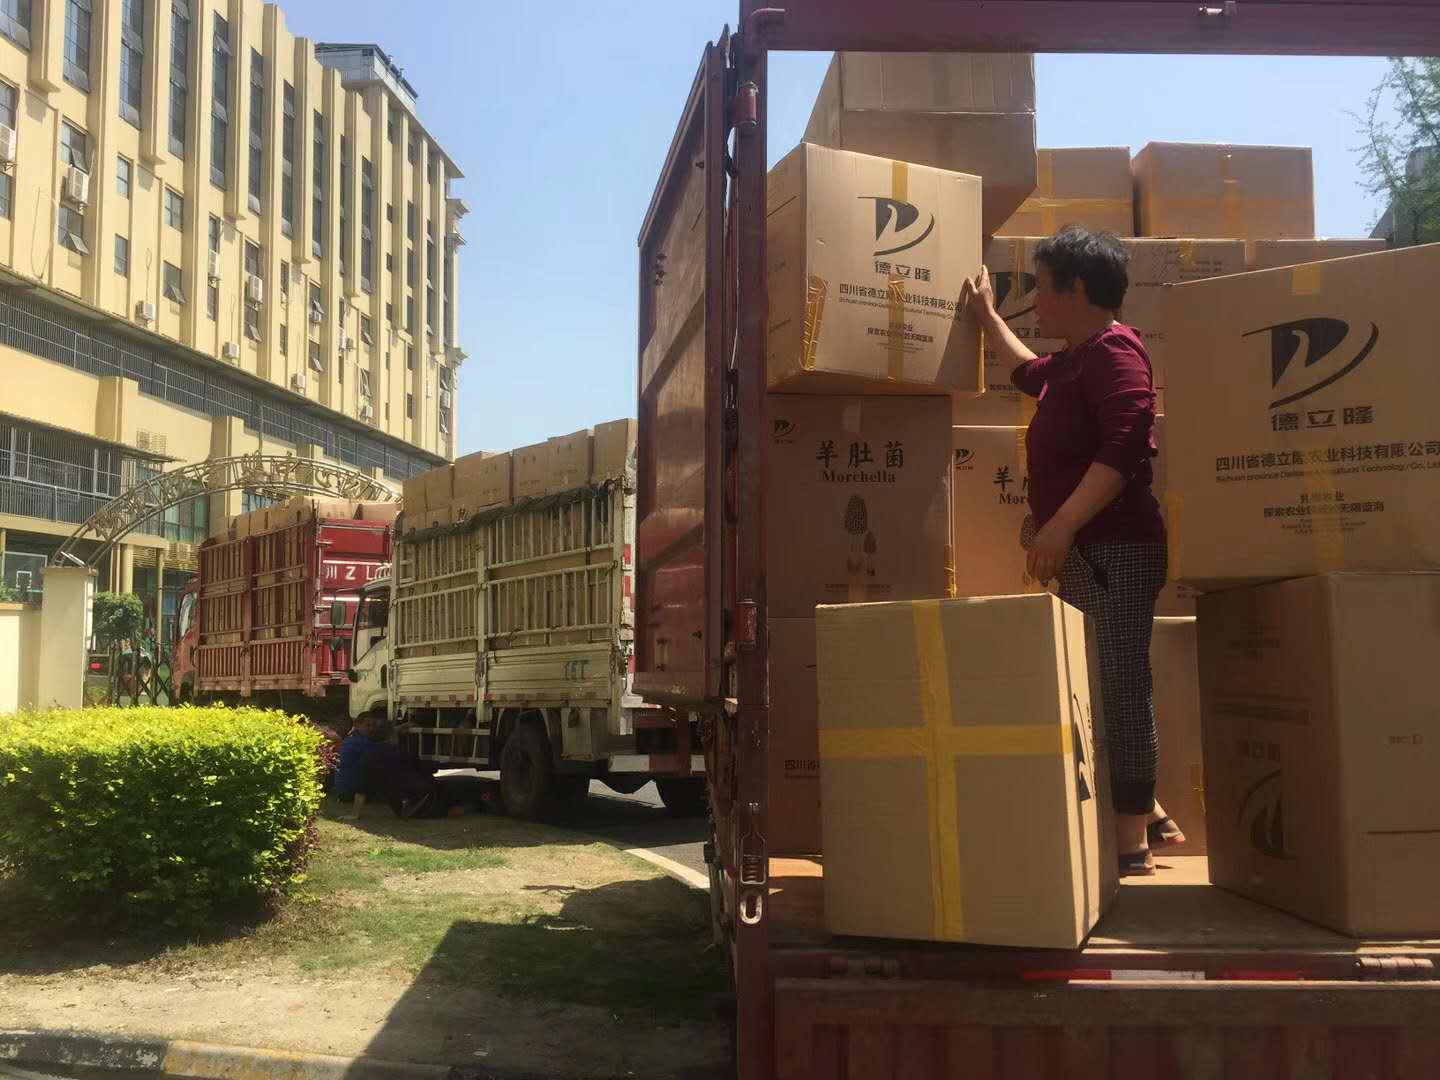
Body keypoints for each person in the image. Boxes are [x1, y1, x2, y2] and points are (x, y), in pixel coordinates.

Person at [961, 226, 1185, 877]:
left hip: (1118, 548)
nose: (1034, 299)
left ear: (1077, 288)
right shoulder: (1074, 361)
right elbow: (1026, 372)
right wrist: (987, 317)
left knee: (1118, 681)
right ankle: (1147, 810)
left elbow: (1127, 442)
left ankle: (1130, 844)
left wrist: (1059, 527)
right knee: (1094, 680)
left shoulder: (1116, 352)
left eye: (1040, 286)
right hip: (1088, 553)